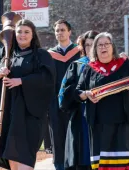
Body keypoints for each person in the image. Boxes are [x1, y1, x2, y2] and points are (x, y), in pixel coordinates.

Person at [0, 19, 56, 170]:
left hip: (28, 113)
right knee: (9, 152)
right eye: (19, 32)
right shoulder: (5, 52)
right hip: (7, 110)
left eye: (26, 32)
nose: (22, 35)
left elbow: (47, 79)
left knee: (24, 152)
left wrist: (22, 81)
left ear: (33, 34)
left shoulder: (41, 56)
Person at [75, 32, 129, 170]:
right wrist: (86, 94)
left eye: (106, 44)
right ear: (95, 48)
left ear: (113, 47)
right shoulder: (89, 68)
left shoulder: (124, 64)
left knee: (122, 164)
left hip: (122, 122)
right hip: (99, 124)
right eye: (99, 45)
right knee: (102, 165)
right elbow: (78, 92)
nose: (103, 47)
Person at [59, 30, 99, 170]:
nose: (91, 48)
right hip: (81, 119)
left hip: (103, 121)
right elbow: (64, 95)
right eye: (87, 45)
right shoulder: (76, 66)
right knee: (83, 158)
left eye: (94, 44)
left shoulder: (109, 67)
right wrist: (79, 95)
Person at [48, 19, 81, 170]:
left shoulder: (79, 52)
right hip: (56, 101)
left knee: (77, 133)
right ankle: (60, 166)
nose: (60, 33)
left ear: (69, 32)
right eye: (57, 30)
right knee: (58, 134)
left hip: (76, 100)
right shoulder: (49, 55)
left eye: (62, 30)